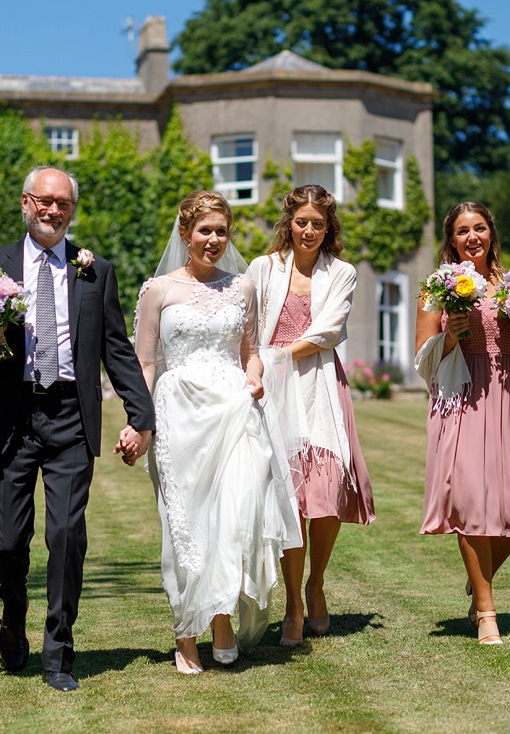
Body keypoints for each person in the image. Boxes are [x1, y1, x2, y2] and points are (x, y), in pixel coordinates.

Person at [0, 166, 155, 692]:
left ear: (72, 209)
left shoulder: (95, 271)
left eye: (63, 203)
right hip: (11, 419)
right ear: (25, 202)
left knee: (66, 536)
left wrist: (142, 414)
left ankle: (58, 653)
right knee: (5, 543)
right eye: (45, 201)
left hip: (70, 415)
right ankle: (12, 612)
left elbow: (116, 346)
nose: (53, 210)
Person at [134, 190, 301, 674]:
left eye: (221, 231)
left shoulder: (242, 287)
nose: (213, 239)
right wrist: (138, 421)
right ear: (186, 233)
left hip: (235, 412)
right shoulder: (158, 291)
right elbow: (145, 362)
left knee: (233, 519)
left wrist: (254, 373)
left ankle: (222, 621)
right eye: (204, 230)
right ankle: (186, 632)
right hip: (179, 414)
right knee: (184, 523)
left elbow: (250, 349)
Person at [413, 201, 510, 646]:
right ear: (451, 239)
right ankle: (485, 611)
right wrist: (452, 333)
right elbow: (423, 358)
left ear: (491, 234)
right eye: (463, 231)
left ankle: (479, 580)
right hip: (462, 397)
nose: (472, 237)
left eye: (479, 228)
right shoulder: (436, 289)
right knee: (473, 506)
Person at [246, 184, 375, 647]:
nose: (309, 230)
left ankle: (315, 581)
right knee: (289, 499)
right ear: (289, 223)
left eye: (318, 223)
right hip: (270, 391)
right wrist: (260, 367)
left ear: (329, 228)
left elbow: (328, 330)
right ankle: (294, 607)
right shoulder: (264, 268)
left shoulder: (342, 272)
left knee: (324, 492)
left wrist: (277, 356)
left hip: (318, 385)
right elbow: (247, 324)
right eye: (302, 221)